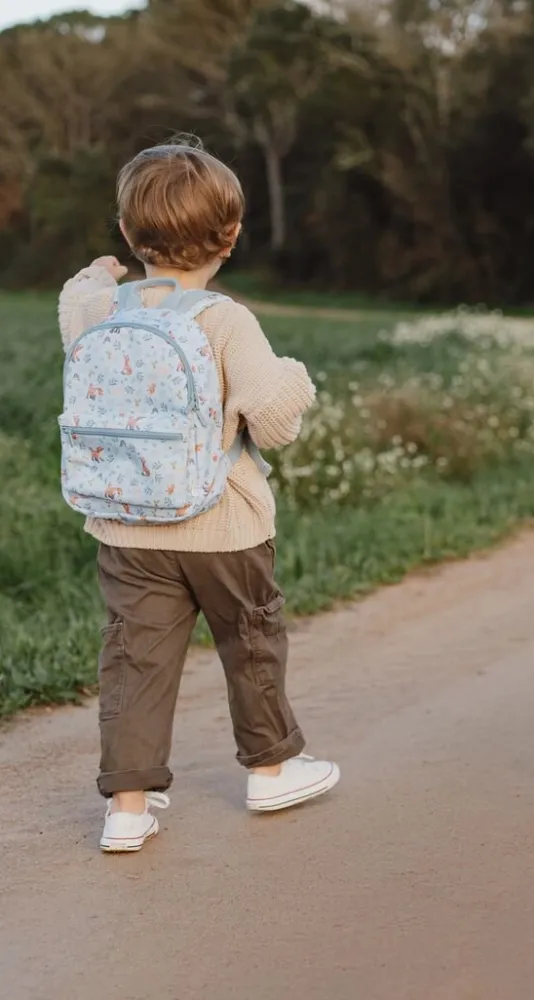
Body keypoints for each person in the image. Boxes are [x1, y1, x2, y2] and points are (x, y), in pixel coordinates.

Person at [58, 139, 339, 853]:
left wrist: (96, 275)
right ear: (233, 235)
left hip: (125, 528)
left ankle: (127, 807)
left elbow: (76, 299)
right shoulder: (225, 320)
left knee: (134, 659)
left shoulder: (96, 312)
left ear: (127, 232)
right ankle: (271, 768)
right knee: (250, 643)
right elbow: (273, 424)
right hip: (225, 526)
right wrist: (295, 377)